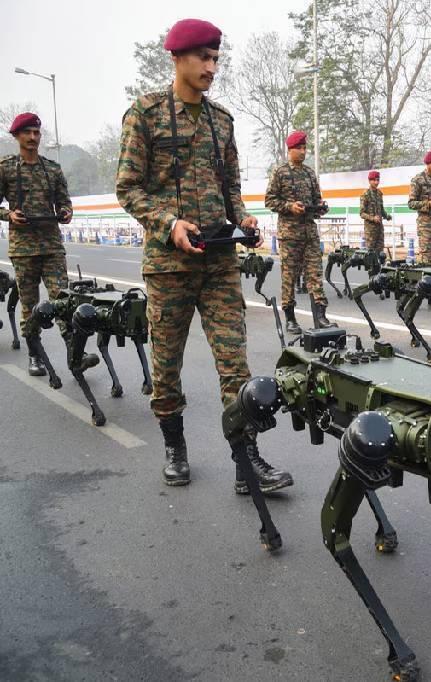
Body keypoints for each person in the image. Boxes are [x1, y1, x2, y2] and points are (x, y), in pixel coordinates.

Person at [116, 18, 293, 492]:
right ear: (177, 58)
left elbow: (230, 187)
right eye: (203, 57)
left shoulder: (222, 120)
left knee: (235, 365)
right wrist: (169, 223)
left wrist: (244, 219)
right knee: (166, 366)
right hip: (168, 267)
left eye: (216, 58)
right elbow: (127, 188)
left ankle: (246, 461)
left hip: (218, 262)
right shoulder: (145, 114)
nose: (211, 67)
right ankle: (175, 447)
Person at [0, 112, 77, 376]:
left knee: (63, 300)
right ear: (17, 136)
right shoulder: (6, 167)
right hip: (23, 249)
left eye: (36, 133)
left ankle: (75, 354)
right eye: (28, 133)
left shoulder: (52, 169)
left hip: (52, 246)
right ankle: (35, 355)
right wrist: (9, 215)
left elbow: (65, 201)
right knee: (30, 304)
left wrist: (66, 212)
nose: (33, 137)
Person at [264, 130, 336, 333]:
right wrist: (290, 206)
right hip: (290, 234)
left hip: (309, 233)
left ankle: (320, 316)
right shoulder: (280, 172)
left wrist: (320, 207)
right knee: (289, 277)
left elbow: (316, 199)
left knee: (315, 275)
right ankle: (290, 318)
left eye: (305, 148)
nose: (303, 152)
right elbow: (269, 200)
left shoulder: (310, 173)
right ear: (290, 150)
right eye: (299, 148)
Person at [407, 150, 431, 266]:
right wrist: (428, 204)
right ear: (427, 164)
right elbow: (411, 203)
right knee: (427, 261)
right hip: (425, 227)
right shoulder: (418, 180)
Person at [359, 170, 387, 263]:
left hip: (379, 228)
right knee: (371, 253)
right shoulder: (365, 194)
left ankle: (380, 269)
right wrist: (373, 218)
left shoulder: (379, 193)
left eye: (378, 180)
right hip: (370, 230)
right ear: (369, 181)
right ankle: (371, 270)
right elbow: (362, 213)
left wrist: (386, 216)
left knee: (380, 252)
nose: (376, 182)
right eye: (374, 180)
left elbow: (381, 209)